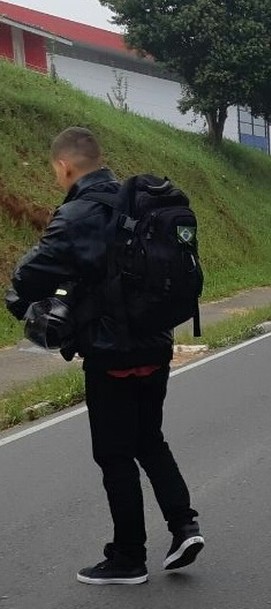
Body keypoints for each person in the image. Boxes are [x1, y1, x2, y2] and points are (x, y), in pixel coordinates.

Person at [5, 127, 204, 585]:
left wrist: (25, 305)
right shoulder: (140, 205)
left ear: (64, 166)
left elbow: (29, 276)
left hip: (111, 354)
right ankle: (184, 527)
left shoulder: (77, 214)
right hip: (156, 345)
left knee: (114, 455)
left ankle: (128, 557)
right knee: (149, 440)